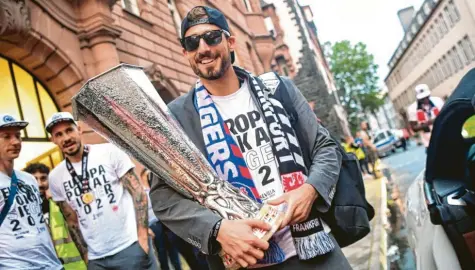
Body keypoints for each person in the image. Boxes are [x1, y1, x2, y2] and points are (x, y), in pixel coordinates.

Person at [150, 6, 351, 270]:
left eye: (211, 37)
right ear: (185, 52)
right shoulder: (176, 116)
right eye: (192, 42)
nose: (203, 49)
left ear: (230, 41)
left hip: (315, 250)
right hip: (244, 261)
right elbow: (163, 197)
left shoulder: (278, 88)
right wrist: (217, 230)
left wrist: (309, 190)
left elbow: (325, 147)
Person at [45, 112, 158, 270]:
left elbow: (138, 193)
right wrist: (86, 257)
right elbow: (71, 221)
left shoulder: (109, 152)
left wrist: (143, 236)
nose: (66, 138)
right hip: (97, 260)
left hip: (130, 246)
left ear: (79, 129)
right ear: (53, 140)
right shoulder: (55, 177)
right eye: (59, 134)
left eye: (69, 130)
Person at [0, 114, 62, 269]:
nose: (15, 142)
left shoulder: (29, 179)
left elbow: (38, 218)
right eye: (6, 136)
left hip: (51, 264)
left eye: (18, 136)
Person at [24, 163, 87, 270]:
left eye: (43, 178)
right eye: (34, 179)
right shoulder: (24, 213)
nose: (39, 184)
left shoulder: (59, 204)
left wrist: (86, 256)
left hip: (76, 267)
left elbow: (76, 230)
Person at [141, 169, 182, 270]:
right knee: (161, 251)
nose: (149, 177)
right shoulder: (142, 193)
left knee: (172, 248)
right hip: (154, 225)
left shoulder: (156, 189)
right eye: (147, 175)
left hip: (164, 222)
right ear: (143, 177)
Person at [407, 84, 444, 151]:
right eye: (422, 99)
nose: (425, 100)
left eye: (427, 97)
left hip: (444, 136)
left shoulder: (438, 101)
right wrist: (427, 124)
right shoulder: (412, 109)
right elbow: (414, 128)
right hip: (429, 143)